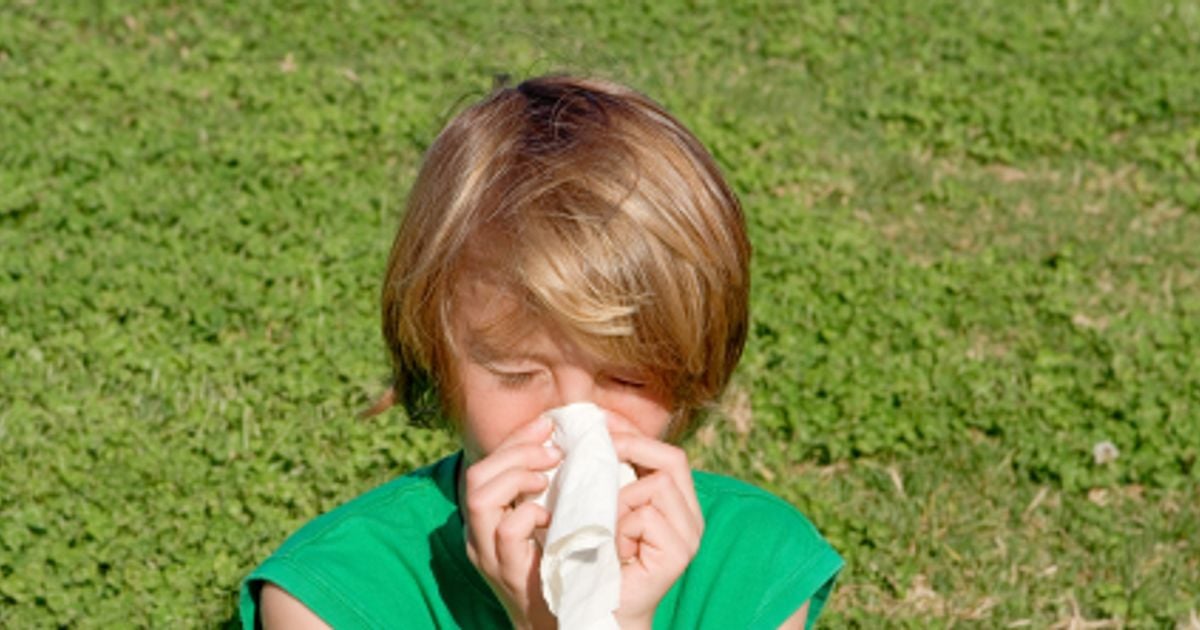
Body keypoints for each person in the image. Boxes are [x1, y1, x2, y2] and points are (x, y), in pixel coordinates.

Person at [240, 74, 843, 629]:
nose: (570, 423)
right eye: (517, 372)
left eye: (628, 379)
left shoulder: (753, 566)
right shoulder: (335, 596)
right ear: (437, 357)